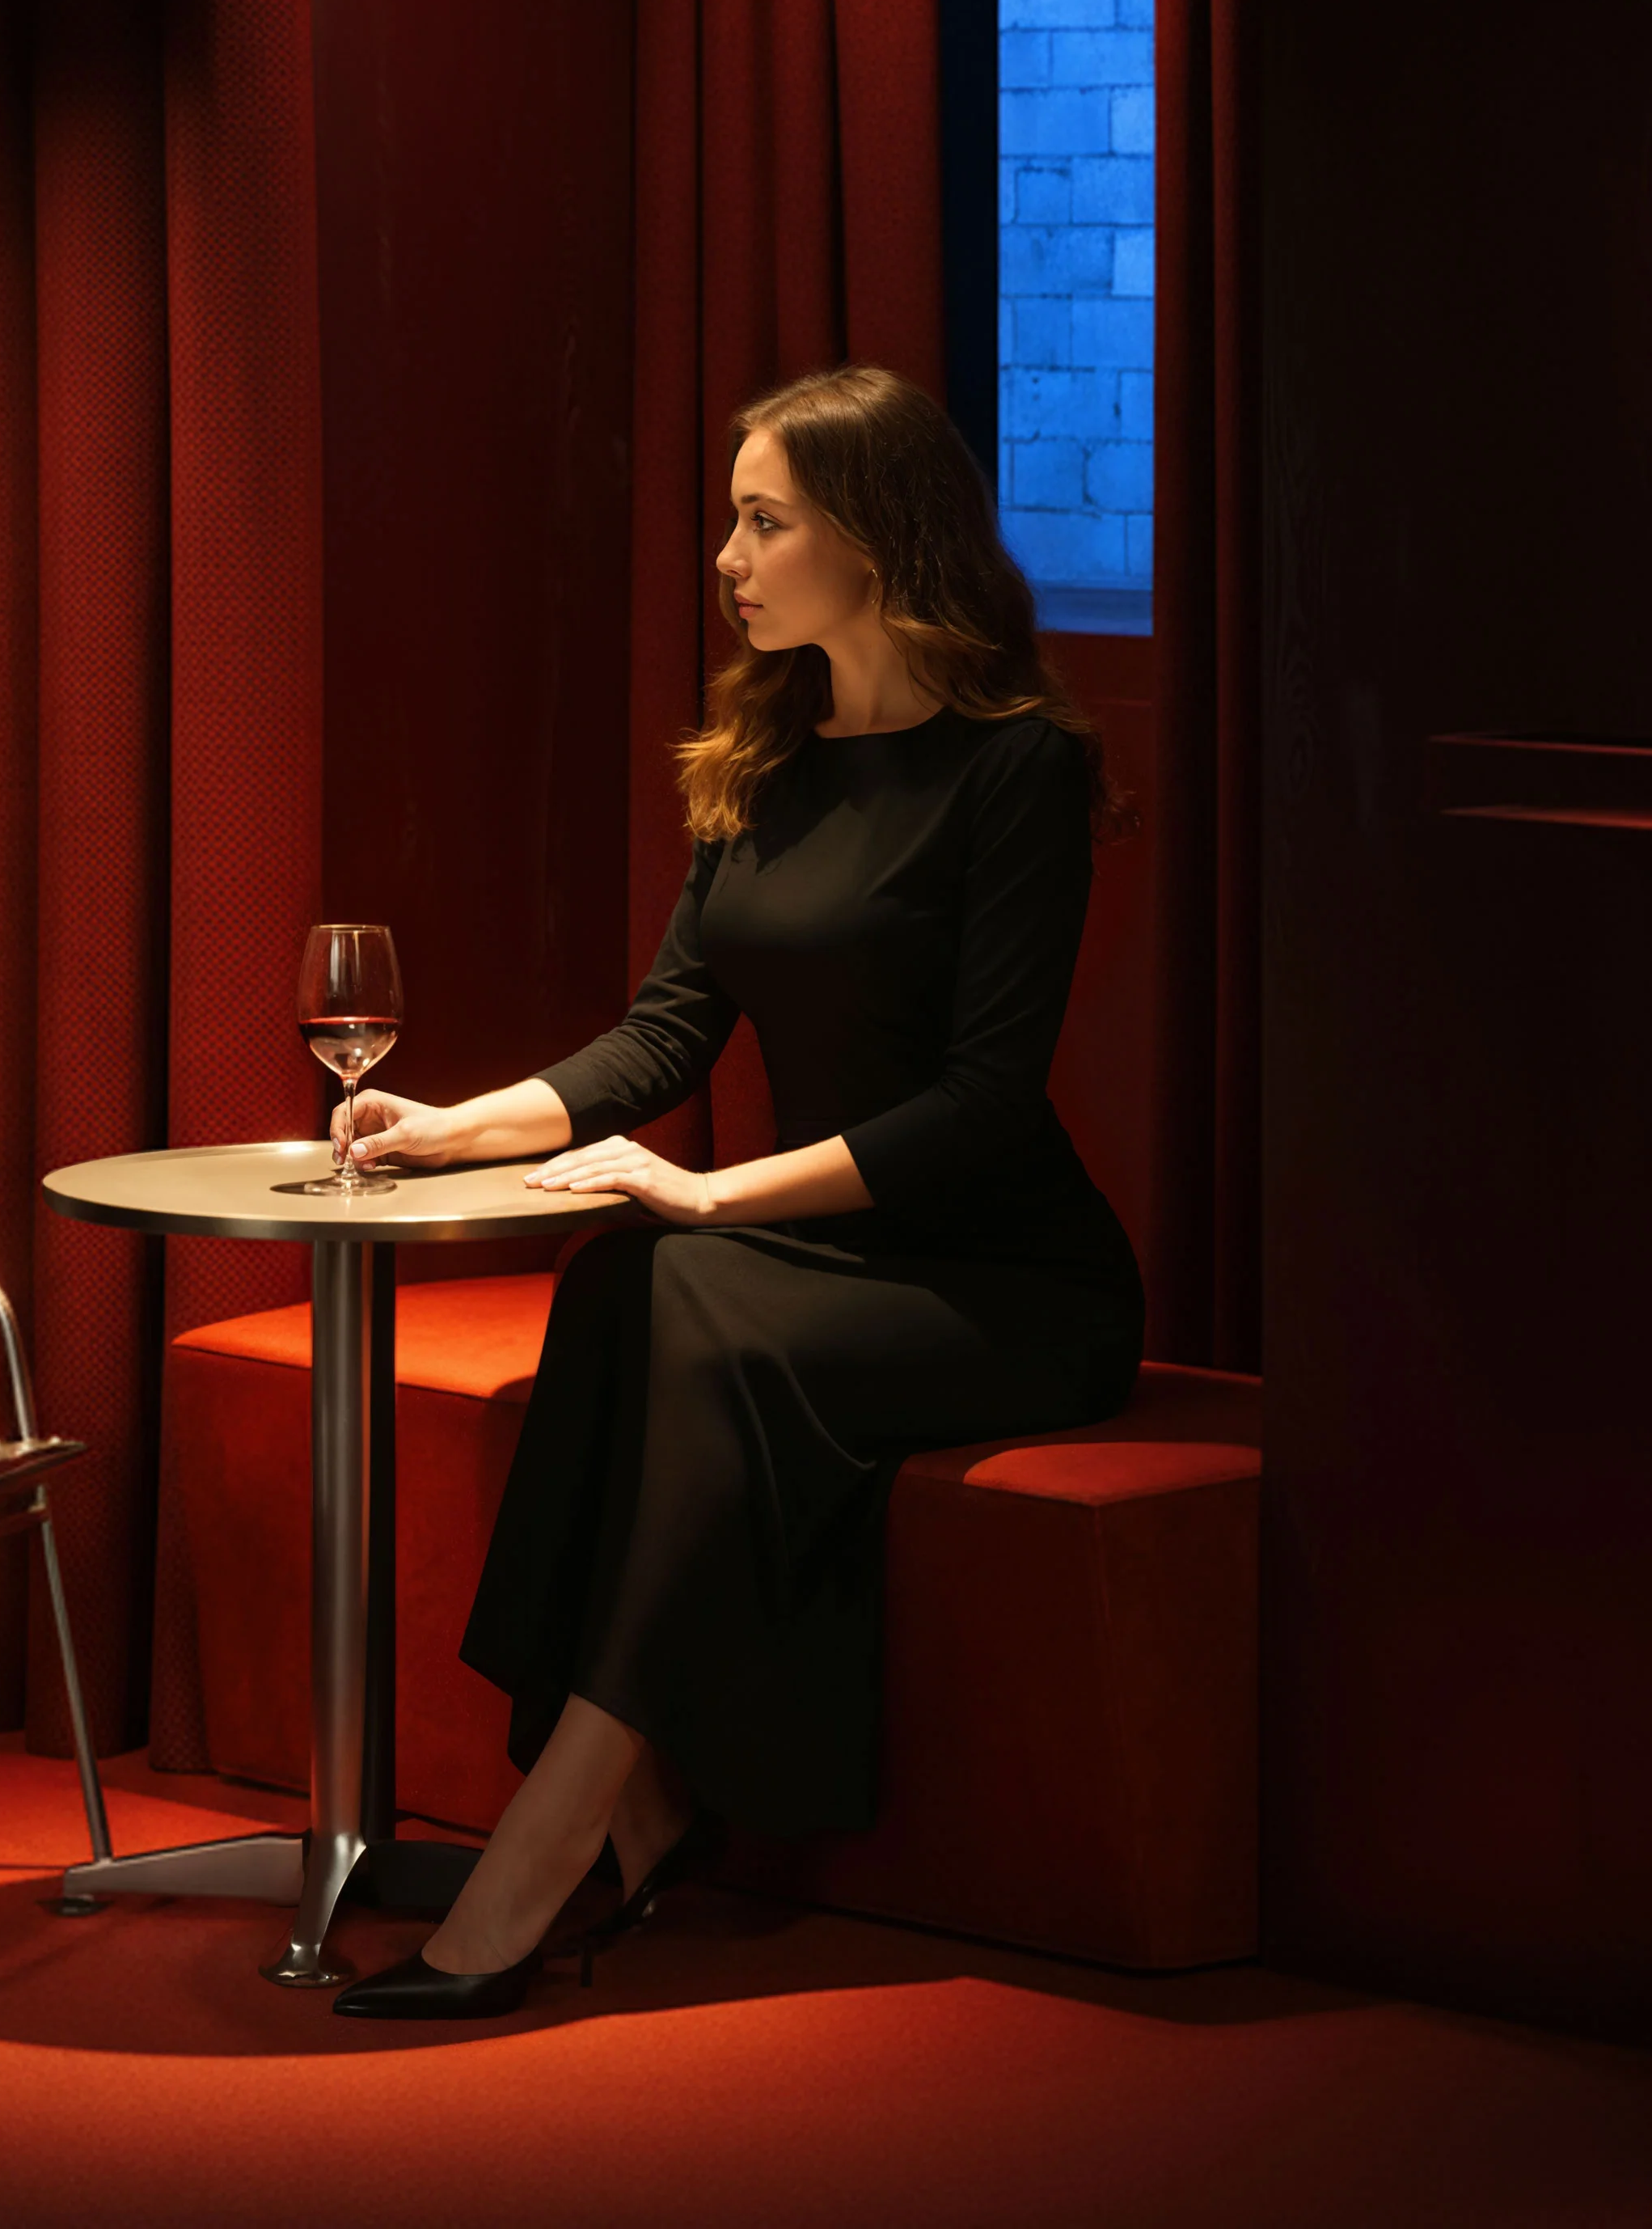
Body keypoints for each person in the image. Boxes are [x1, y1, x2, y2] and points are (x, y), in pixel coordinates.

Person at [328, 360, 1145, 2020]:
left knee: (676, 1273)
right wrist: (451, 1122)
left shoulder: (1017, 770)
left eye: (762, 520)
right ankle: (629, 1792)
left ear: (875, 536)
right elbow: (663, 1036)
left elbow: (986, 1107)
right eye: (732, 517)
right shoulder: (765, 759)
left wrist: (715, 1200)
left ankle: (556, 1834)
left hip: (1003, 1280)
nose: (724, 553)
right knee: (622, 1280)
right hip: (822, 1258)